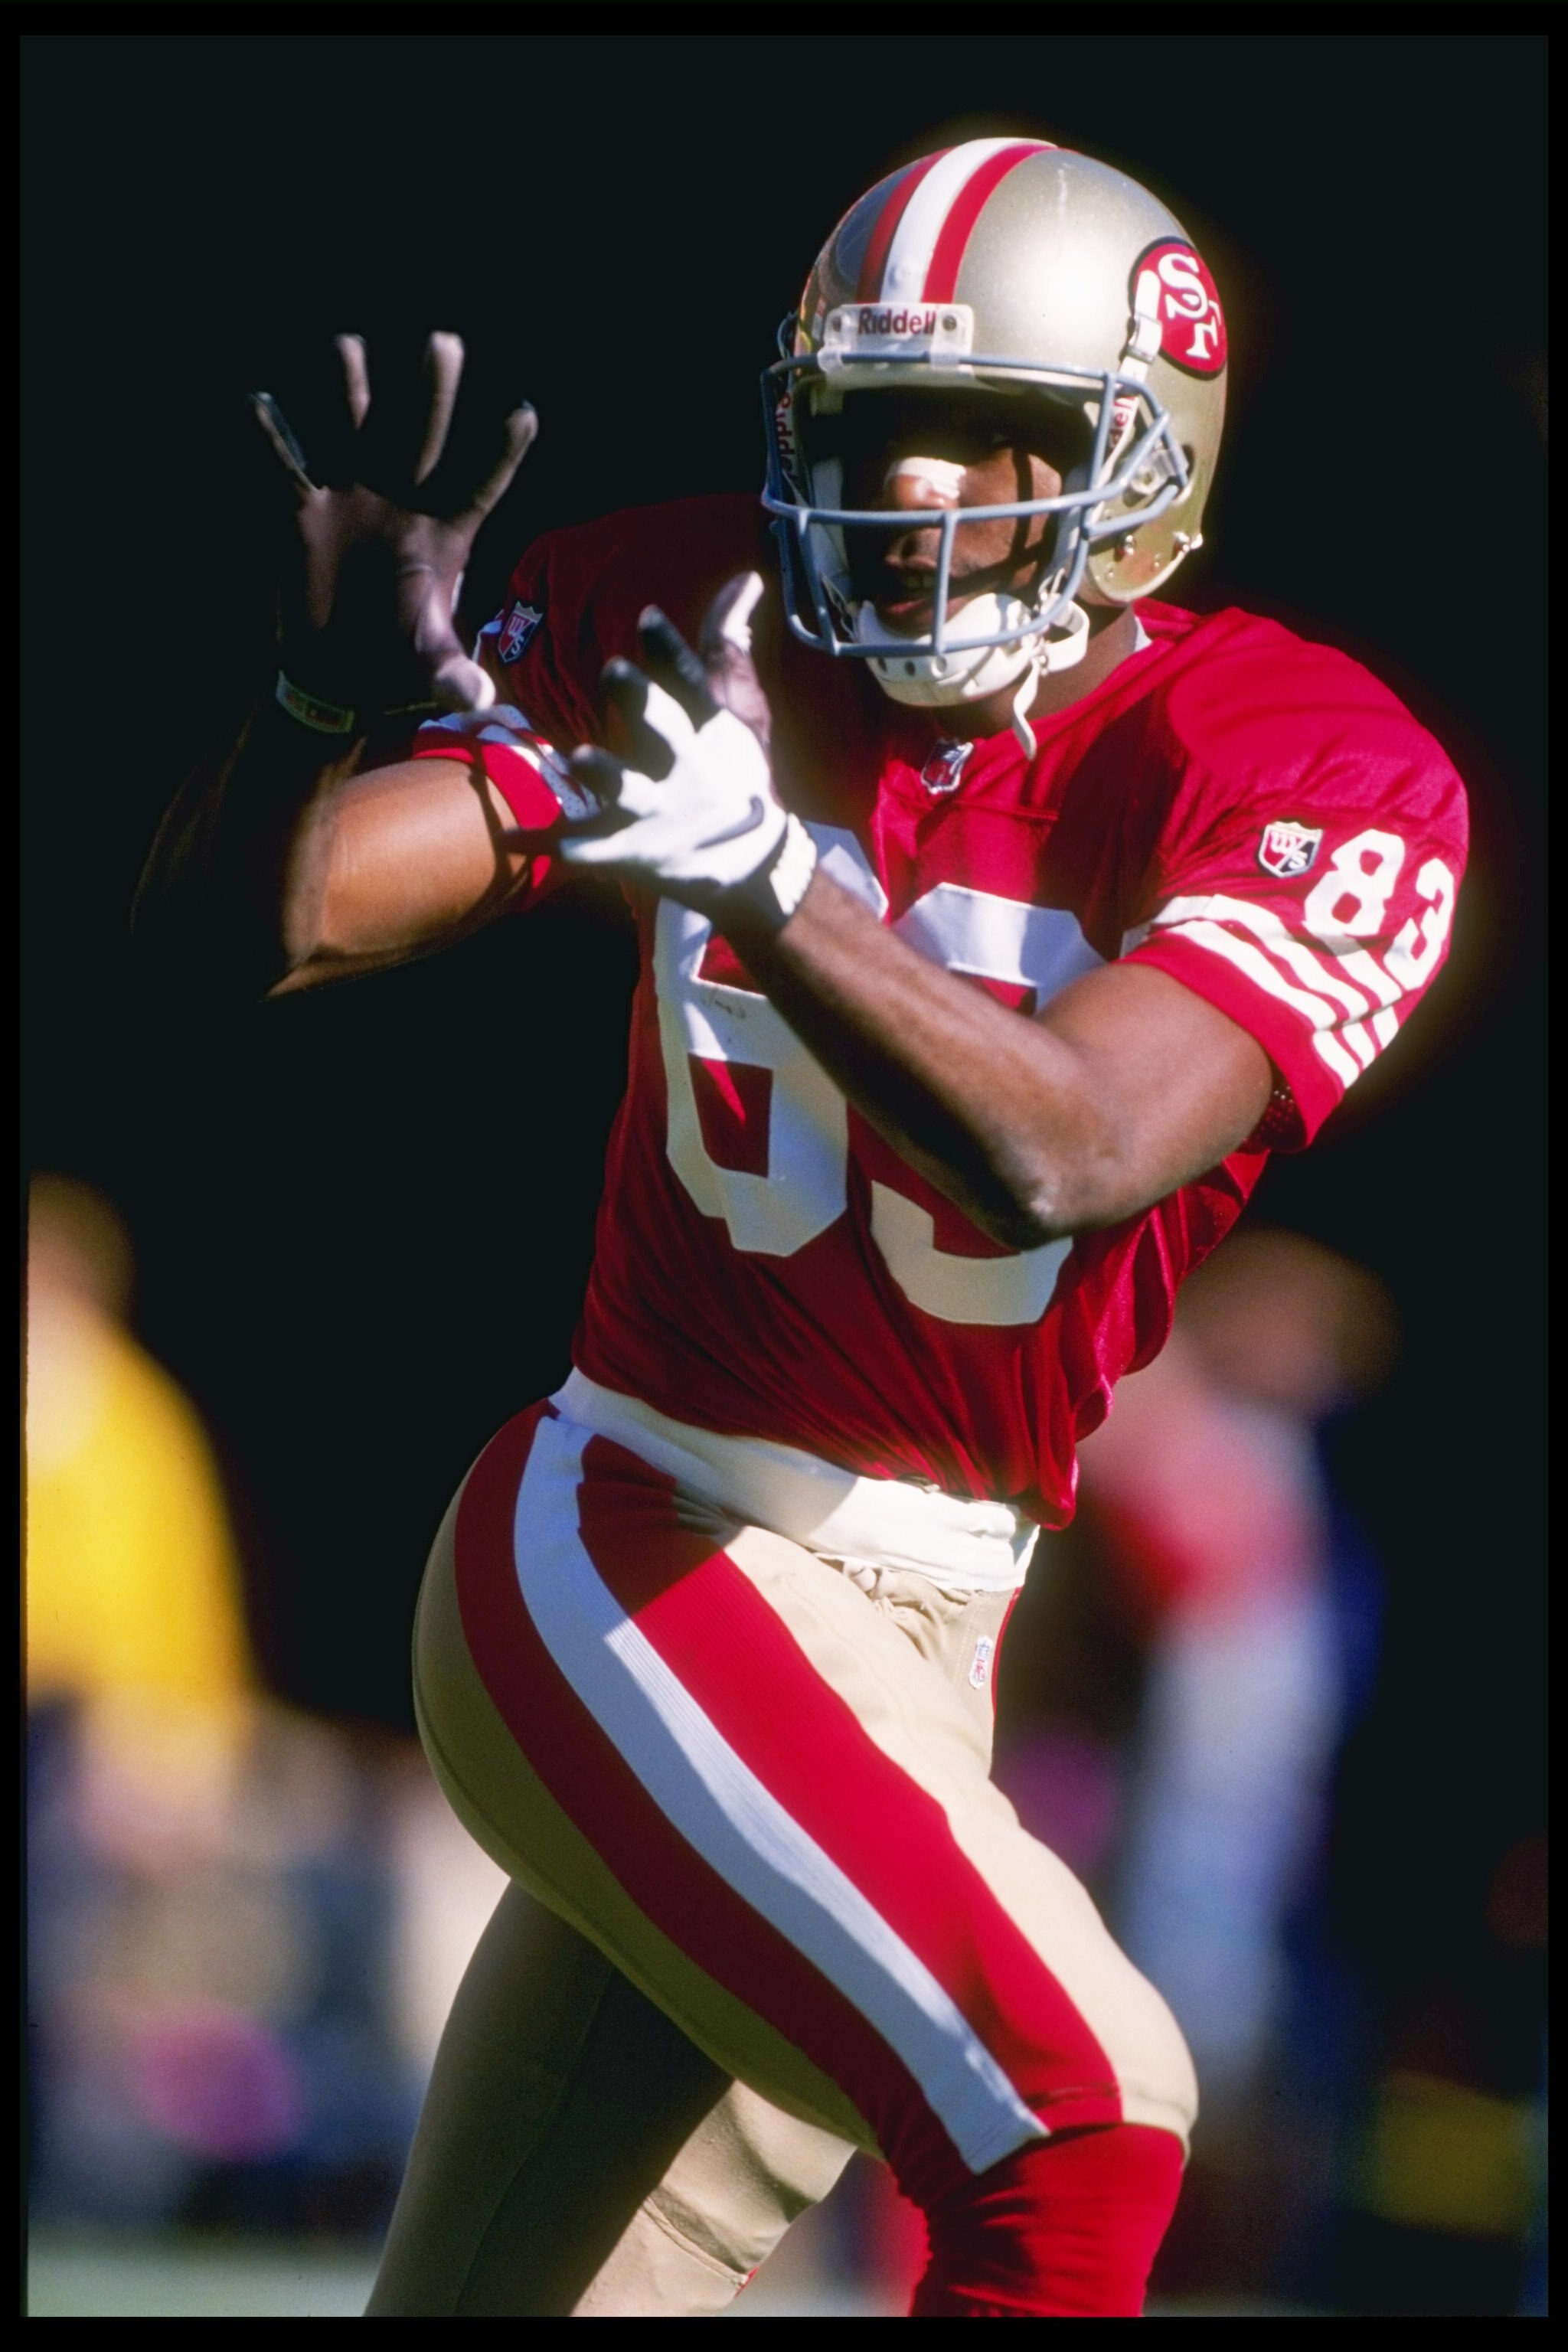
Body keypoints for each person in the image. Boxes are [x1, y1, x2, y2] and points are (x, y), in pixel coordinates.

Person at [135, 139, 1467, 2318]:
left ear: (1139, 464)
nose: (920, 496)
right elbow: (260, 934)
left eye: (993, 442)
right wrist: (319, 708)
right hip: (637, 1538)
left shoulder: (1302, 757)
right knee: (1082, 2119)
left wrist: (774, 882)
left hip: (927, 1624)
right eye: (876, 436)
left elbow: (1071, 1152)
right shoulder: (706, 619)